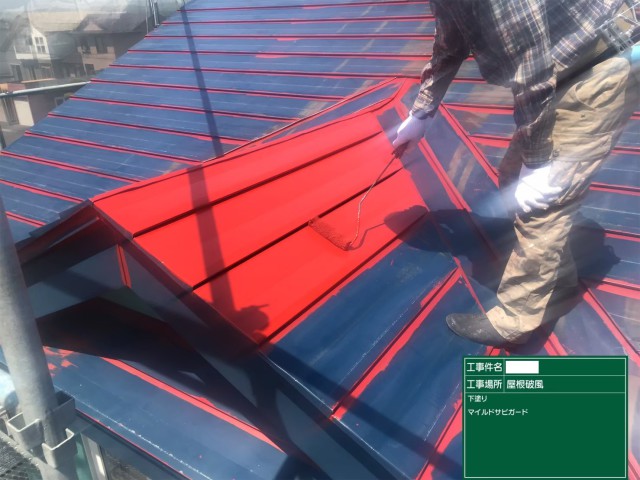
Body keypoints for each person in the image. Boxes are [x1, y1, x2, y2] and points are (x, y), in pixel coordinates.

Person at [393, 0, 640, 347]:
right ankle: (556, 279)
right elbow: (449, 42)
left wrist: (538, 164)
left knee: (544, 199)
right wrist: (422, 112)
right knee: (514, 178)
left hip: (602, 66)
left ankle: (515, 320)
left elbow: (533, 68)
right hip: (566, 68)